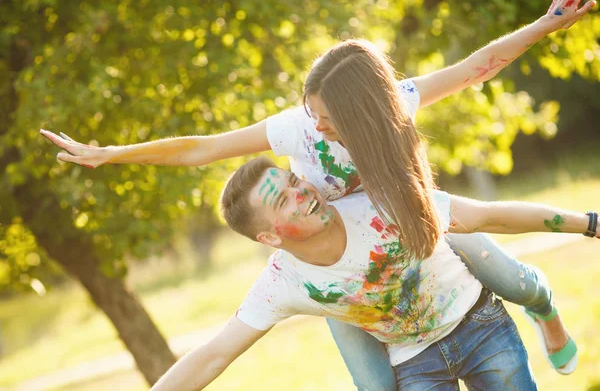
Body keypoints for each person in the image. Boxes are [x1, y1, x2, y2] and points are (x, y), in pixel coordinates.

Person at [40, 0, 596, 388]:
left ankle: (546, 310)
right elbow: (202, 148)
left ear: (363, 112)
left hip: (414, 233)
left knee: (510, 278)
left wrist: (548, 22)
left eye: (326, 117)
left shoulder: (392, 108)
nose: (316, 127)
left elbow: (477, 67)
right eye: (311, 113)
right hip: (341, 275)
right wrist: (114, 154)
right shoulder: (297, 129)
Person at [150, 157, 599, 390]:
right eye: (283, 200)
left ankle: (546, 310)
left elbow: (489, 216)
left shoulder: (379, 205)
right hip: (415, 363)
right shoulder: (282, 283)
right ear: (269, 238)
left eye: (291, 180)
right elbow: (212, 355)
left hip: (478, 322)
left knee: (516, 282)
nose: (301, 191)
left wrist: (589, 223)